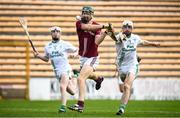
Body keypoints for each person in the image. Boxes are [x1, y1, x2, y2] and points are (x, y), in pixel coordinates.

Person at [107, 20, 160, 115]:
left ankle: (121, 109)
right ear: (122, 28)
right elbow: (114, 37)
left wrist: (153, 43)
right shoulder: (119, 36)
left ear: (132, 29)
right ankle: (126, 96)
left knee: (127, 86)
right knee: (123, 88)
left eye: (129, 27)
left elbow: (143, 42)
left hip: (133, 65)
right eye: (125, 27)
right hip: (121, 67)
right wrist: (111, 32)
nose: (127, 29)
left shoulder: (135, 38)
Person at [68, 6, 111, 113]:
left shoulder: (97, 26)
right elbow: (86, 28)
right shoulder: (79, 23)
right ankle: (98, 78)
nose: (85, 15)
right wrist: (104, 26)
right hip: (83, 57)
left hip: (92, 57)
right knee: (88, 75)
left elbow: (97, 42)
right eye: (83, 13)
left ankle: (80, 105)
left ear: (92, 15)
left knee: (80, 78)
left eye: (87, 13)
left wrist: (105, 33)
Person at [33, 26, 78, 113]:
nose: (55, 32)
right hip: (57, 71)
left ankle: (63, 107)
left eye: (57, 31)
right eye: (53, 31)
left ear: (60, 33)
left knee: (62, 86)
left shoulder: (65, 44)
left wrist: (74, 55)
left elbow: (77, 50)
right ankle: (76, 75)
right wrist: (38, 56)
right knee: (72, 92)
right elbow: (46, 59)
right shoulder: (47, 46)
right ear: (51, 33)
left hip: (65, 68)